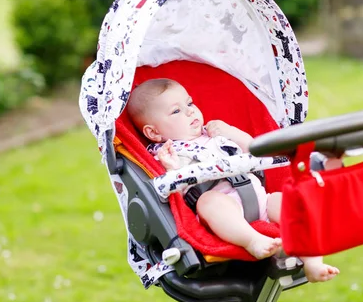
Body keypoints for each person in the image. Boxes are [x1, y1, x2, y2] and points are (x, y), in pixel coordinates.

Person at [127, 78, 340, 283]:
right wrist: (171, 169)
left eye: (190, 103)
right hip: (222, 209)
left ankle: (313, 263)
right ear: (153, 132)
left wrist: (232, 133)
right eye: (176, 111)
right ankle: (252, 240)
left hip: (261, 200)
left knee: (290, 203)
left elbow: (257, 151)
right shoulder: (167, 153)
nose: (190, 110)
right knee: (209, 201)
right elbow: (176, 196)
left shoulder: (215, 135)